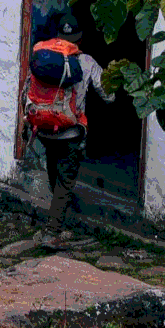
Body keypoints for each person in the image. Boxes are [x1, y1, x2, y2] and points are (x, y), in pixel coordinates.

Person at [28, 16, 115, 248]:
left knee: (55, 174)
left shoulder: (42, 54)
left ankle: (57, 217)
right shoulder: (86, 61)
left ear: (58, 35)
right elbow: (109, 96)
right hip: (70, 133)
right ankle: (52, 232)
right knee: (65, 183)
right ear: (80, 38)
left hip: (45, 129)